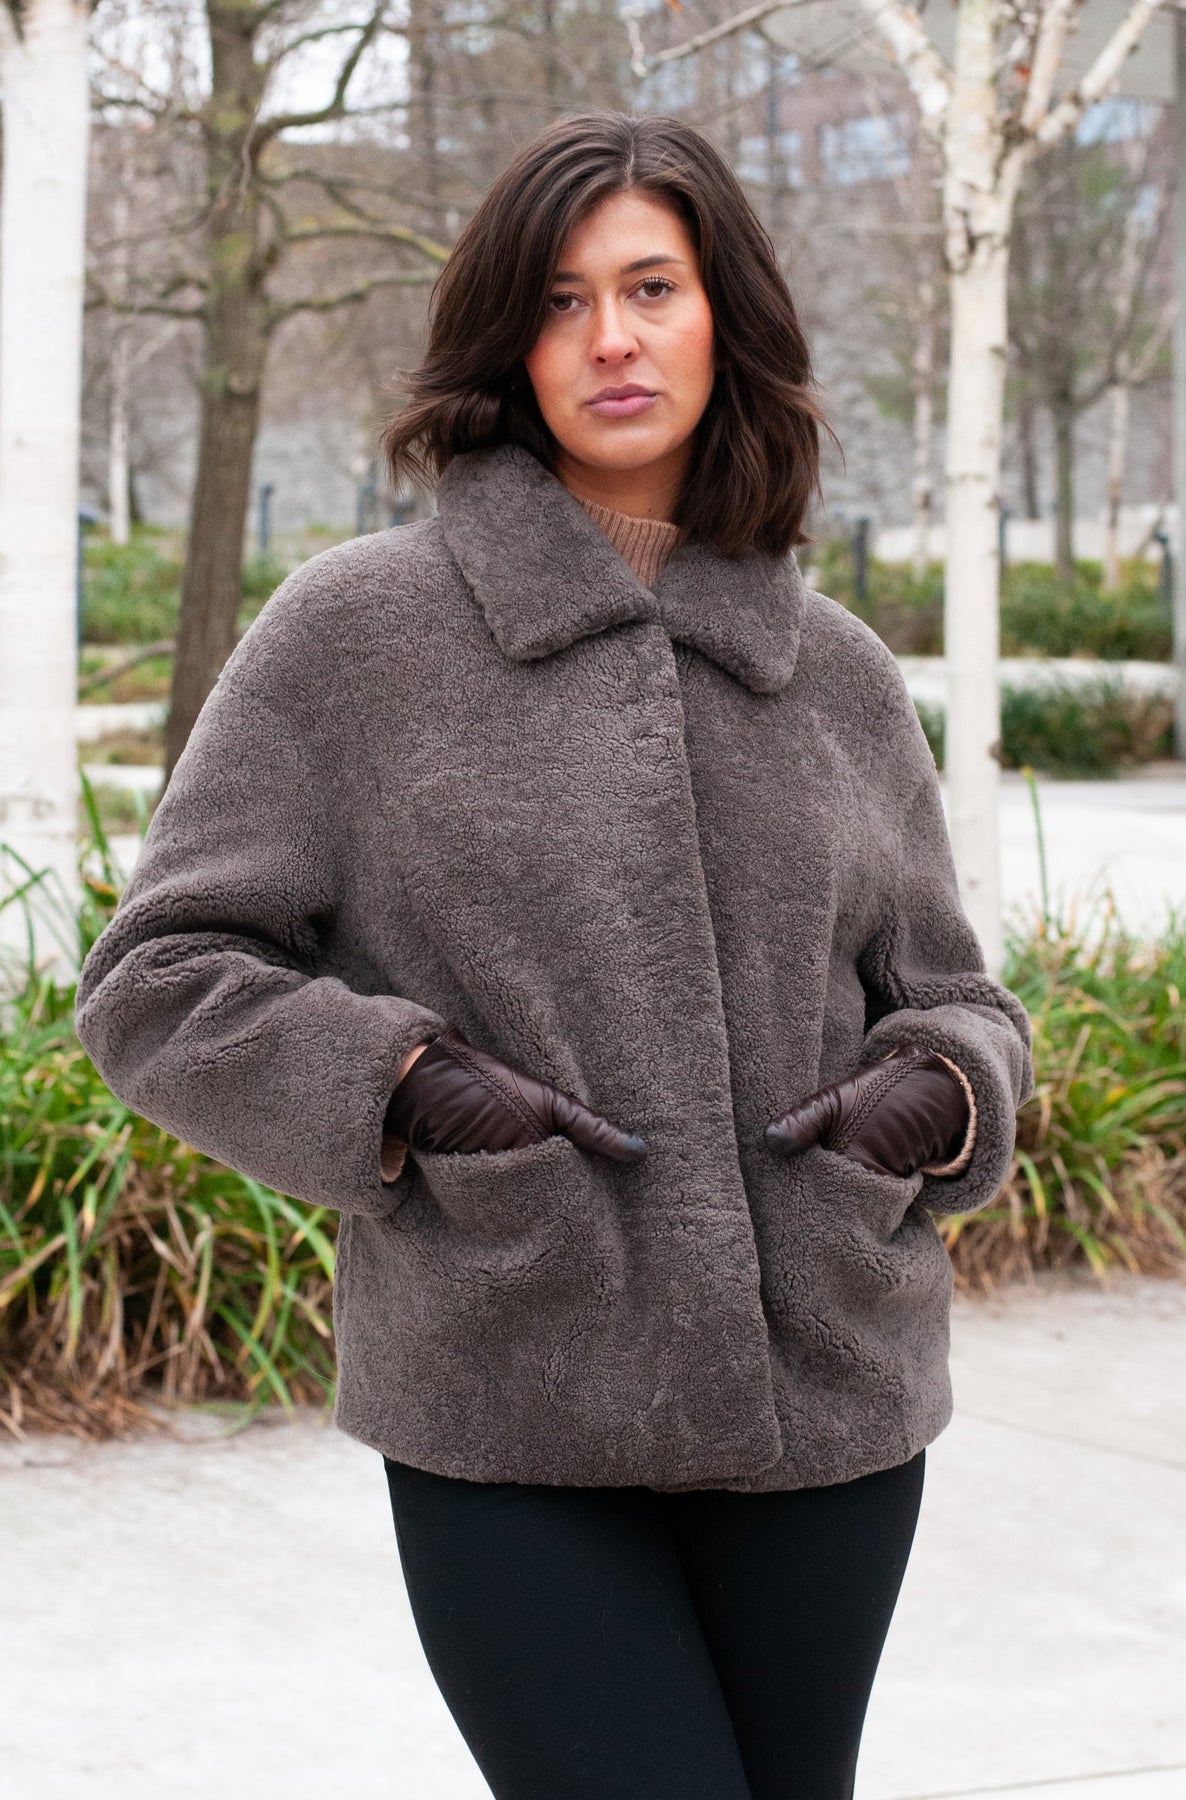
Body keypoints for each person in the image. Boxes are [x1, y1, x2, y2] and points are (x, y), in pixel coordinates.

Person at [75, 110, 1033, 1800]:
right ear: (507, 344)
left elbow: (953, 996)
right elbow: (157, 976)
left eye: (652, 288)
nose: (611, 339)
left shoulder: (832, 670)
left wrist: (936, 1093)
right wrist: (410, 1087)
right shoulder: (357, 634)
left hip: (829, 1397)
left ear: (722, 318)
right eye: (562, 300)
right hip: (511, 1385)